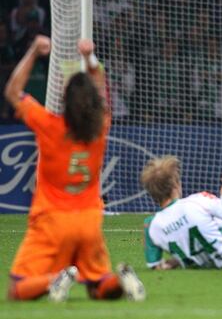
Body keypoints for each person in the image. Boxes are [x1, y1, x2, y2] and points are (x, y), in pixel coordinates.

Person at [4, 35, 145, 302]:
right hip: (89, 221)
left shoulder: (49, 126)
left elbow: (12, 92)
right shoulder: (100, 129)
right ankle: (119, 280)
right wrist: (89, 58)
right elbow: (101, 90)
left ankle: (54, 279)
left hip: (52, 221)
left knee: (17, 289)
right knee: (97, 286)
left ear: (65, 100)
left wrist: (33, 51)